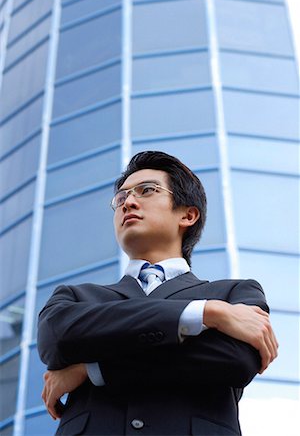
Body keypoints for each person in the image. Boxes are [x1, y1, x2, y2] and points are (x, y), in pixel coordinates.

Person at [38, 151, 278, 436]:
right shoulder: (76, 297)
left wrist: (92, 369)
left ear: (188, 215)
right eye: (120, 198)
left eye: (147, 190)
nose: (128, 202)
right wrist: (204, 313)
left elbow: (236, 360)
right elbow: (57, 337)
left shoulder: (236, 293)